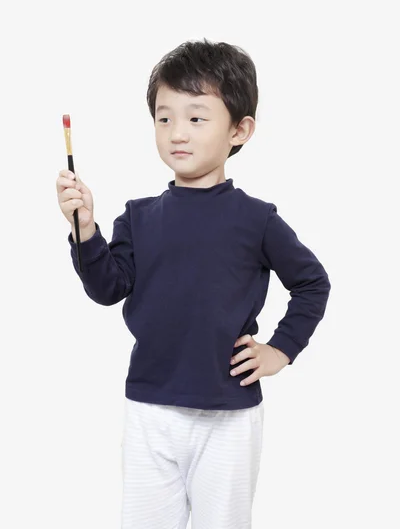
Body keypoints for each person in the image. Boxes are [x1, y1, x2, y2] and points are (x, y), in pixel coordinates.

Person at [56, 38, 331, 529]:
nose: (177, 133)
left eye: (197, 117)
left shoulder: (257, 219)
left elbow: (312, 283)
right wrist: (85, 229)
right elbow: (106, 288)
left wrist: (280, 350)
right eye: (165, 118)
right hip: (149, 408)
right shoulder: (138, 217)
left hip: (228, 412)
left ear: (239, 130)